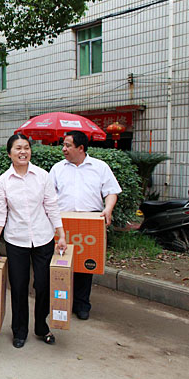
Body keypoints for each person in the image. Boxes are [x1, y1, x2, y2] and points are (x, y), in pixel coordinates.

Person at [0, 134, 67, 349]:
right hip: (16, 240)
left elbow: (52, 206)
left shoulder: (42, 176)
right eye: (18, 148)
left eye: (26, 147)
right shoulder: (3, 181)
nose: (23, 151)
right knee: (18, 286)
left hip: (43, 238)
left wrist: (61, 234)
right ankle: (19, 330)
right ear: (9, 153)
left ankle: (41, 327)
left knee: (43, 284)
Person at [49, 130, 121, 321]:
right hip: (63, 222)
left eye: (68, 145)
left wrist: (108, 209)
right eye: (63, 145)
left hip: (89, 222)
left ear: (81, 148)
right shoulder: (57, 169)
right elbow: (48, 195)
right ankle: (62, 303)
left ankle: (82, 305)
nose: (63, 149)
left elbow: (111, 191)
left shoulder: (99, 167)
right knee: (62, 264)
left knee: (85, 265)